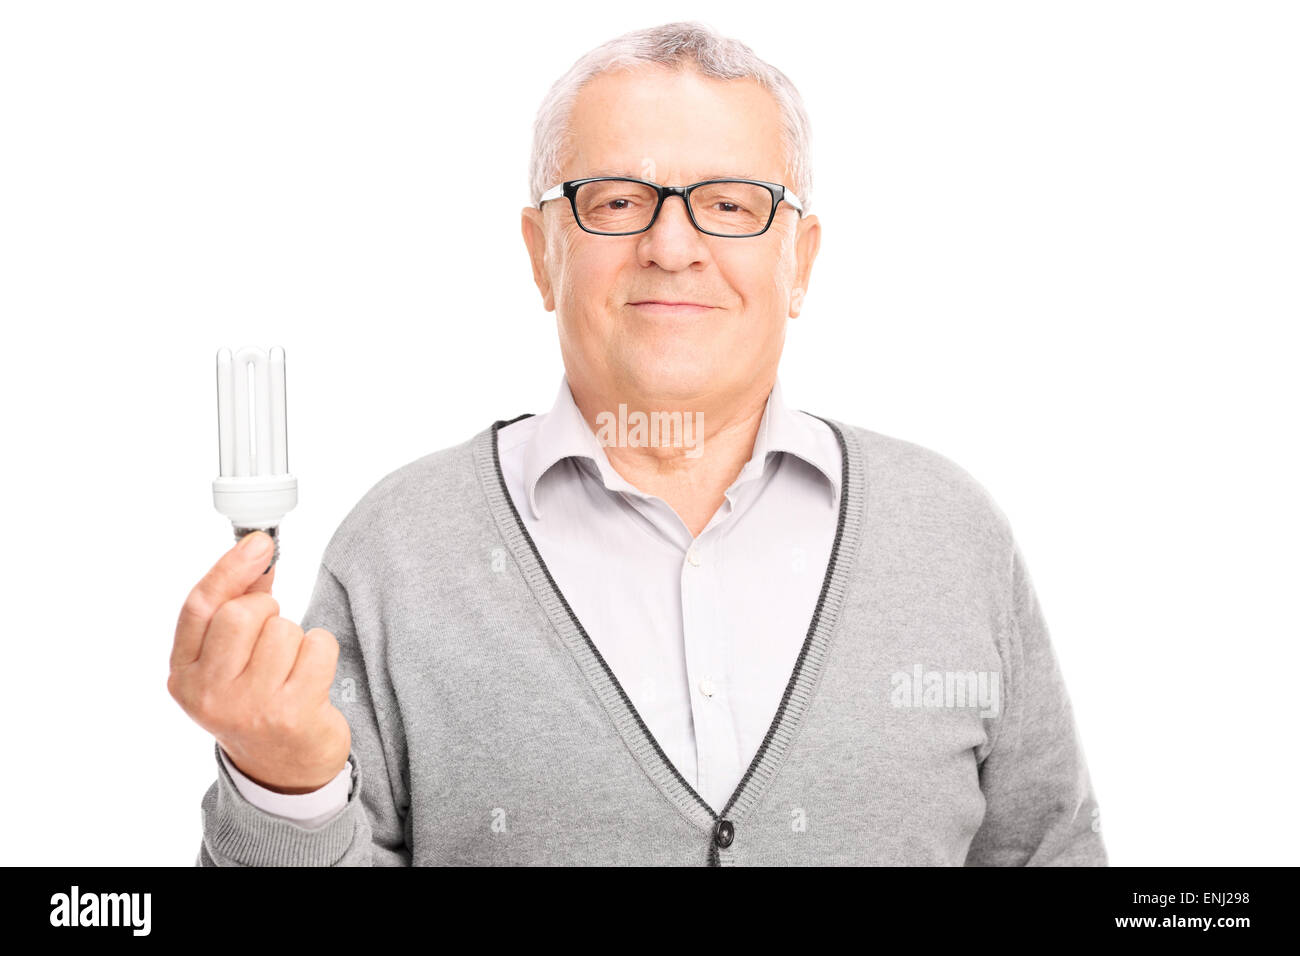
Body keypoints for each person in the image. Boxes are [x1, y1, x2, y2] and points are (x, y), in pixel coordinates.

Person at [169, 20, 1106, 866]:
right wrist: (284, 790)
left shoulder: (950, 534)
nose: (671, 245)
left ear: (800, 260)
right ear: (542, 252)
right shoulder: (400, 553)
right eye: (615, 202)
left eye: (732, 205)